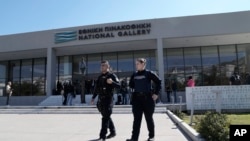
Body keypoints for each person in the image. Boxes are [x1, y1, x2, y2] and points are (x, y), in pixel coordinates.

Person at [127, 58, 161, 141]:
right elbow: (131, 85)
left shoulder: (149, 73)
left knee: (149, 118)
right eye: (136, 64)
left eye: (138, 64)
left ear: (143, 64)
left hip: (147, 99)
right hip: (137, 99)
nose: (136, 65)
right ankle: (134, 138)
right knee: (136, 120)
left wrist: (156, 93)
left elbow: (159, 82)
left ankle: (151, 137)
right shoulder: (134, 74)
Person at [91, 60, 120, 141]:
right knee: (106, 116)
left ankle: (102, 136)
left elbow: (119, 86)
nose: (102, 67)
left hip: (109, 99)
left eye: (104, 65)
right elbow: (96, 89)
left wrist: (112, 82)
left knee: (105, 118)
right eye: (101, 65)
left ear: (108, 67)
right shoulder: (100, 77)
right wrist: (93, 97)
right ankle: (113, 132)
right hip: (101, 100)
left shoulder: (112, 76)